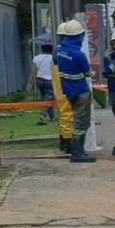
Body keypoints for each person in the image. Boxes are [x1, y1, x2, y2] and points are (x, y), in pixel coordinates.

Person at [55, 19, 95, 163]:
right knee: (81, 123)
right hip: (81, 91)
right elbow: (87, 73)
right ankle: (78, 153)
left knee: (76, 120)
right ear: (79, 35)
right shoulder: (79, 55)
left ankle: (76, 150)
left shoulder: (59, 51)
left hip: (69, 92)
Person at [49, 25, 74, 154]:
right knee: (67, 113)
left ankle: (64, 141)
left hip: (58, 83)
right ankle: (68, 142)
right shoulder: (64, 51)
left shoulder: (57, 50)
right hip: (64, 82)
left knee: (64, 113)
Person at [32, 45, 56, 124]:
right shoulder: (53, 58)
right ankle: (43, 114)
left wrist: (33, 81)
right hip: (49, 79)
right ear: (51, 50)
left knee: (46, 98)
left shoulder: (36, 58)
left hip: (39, 79)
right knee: (48, 98)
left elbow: (34, 70)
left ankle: (52, 116)